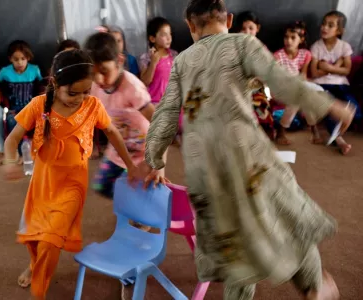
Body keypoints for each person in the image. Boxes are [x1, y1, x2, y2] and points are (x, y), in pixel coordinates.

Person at [133, 0, 355, 299]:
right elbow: (284, 84)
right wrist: (331, 106)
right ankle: (314, 283)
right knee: (285, 216)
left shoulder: (183, 61)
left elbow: (165, 113)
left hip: (206, 171)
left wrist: (155, 159)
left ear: (190, 27)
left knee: (234, 244)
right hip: (249, 159)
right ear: (230, 19)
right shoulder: (242, 43)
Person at [3, 50, 137, 300]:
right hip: (42, 185)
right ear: (55, 83)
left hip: (73, 185)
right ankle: (34, 265)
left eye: (87, 91)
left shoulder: (92, 106)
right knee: (35, 237)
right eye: (73, 93)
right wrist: (11, 162)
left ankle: (39, 291)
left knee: (51, 240)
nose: (80, 98)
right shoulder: (39, 106)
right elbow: (11, 140)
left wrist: (130, 164)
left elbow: (113, 133)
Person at [84, 32, 161, 199]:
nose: (98, 79)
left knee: (148, 188)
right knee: (102, 186)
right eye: (92, 72)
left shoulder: (132, 87)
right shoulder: (96, 88)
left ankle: (142, 213)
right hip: (119, 152)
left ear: (119, 61)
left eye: (104, 71)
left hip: (144, 153)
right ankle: (132, 204)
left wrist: (157, 165)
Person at [310, 11, 362, 155]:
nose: (324, 27)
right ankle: (339, 140)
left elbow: (347, 70)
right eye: (323, 23)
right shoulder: (316, 47)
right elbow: (314, 73)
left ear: (339, 31)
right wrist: (334, 68)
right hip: (322, 84)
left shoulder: (344, 47)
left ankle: (336, 127)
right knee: (329, 108)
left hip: (341, 85)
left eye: (330, 25)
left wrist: (328, 67)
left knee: (355, 112)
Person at [274, 21, 321, 145]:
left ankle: (312, 128)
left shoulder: (305, 54)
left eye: (293, 37)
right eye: (286, 37)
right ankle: (281, 131)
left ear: (301, 39)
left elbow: (303, 75)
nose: (288, 41)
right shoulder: (278, 56)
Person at [0, 40, 43, 163]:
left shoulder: (34, 70)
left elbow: (39, 91)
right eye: (16, 59)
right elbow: (2, 94)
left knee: (43, 121)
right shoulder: (5, 73)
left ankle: (39, 152)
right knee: (12, 121)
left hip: (32, 108)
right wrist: (7, 107)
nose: (20, 62)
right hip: (14, 109)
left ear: (28, 58)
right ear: (10, 59)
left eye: (23, 59)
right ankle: (21, 153)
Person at [235, 11, 275, 140]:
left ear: (257, 28)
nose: (247, 32)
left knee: (262, 106)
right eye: (243, 29)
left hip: (257, 89)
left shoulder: (262, 49)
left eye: (251, 28)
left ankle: (262, 134)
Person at [139, 17, 178, 105]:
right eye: (164, 35)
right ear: (152, 38)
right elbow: (145, 82)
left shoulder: (174, 55)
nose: (169, 38)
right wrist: (153, 63)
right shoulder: (146, 57)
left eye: (170, 34)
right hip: (154, 104)